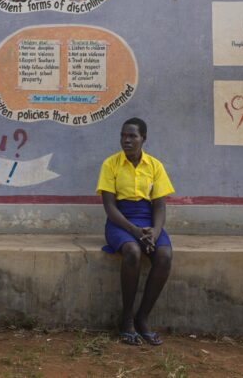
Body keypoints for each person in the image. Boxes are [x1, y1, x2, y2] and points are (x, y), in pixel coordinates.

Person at [96, 117, 174, 346]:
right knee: (132, 252)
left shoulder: (155, 166)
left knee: (164, 256)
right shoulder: (110, 164)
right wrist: (135, 231)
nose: (126, 140)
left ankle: (143, 319)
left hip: (147, 220)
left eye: (132, 136)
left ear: (143, 139)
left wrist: (155, 232)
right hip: (120, 221)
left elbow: (159, 206)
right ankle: (127, 319)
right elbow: (110, 208)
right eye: (123, 135)